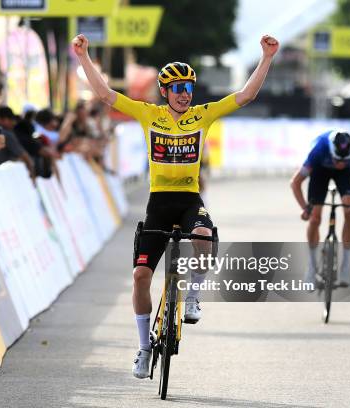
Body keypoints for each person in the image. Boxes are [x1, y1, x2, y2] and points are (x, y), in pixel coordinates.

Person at [72, 33, 279, 378]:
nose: (184, 94)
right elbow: (106, 94)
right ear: (165, 92)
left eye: (188, 87)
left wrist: (267, 58)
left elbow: (245, 95)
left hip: (188, 200)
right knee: (140, 277)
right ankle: (142, 348)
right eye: (178, 88)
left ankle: (193, 295)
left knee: (202, 234)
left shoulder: (203, 115)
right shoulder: (148, 114)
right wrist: (83, 57)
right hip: (158, 204)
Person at [290, 130, 350, 287]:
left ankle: (346, 265)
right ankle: (312, 266)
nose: (340, 163)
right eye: (337, 160)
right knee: (315, 218)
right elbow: (295, 182)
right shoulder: (319, 150)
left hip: (346, 176)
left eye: (344, 160)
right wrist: (305, 208)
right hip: (320, 171)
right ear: (331, 151)